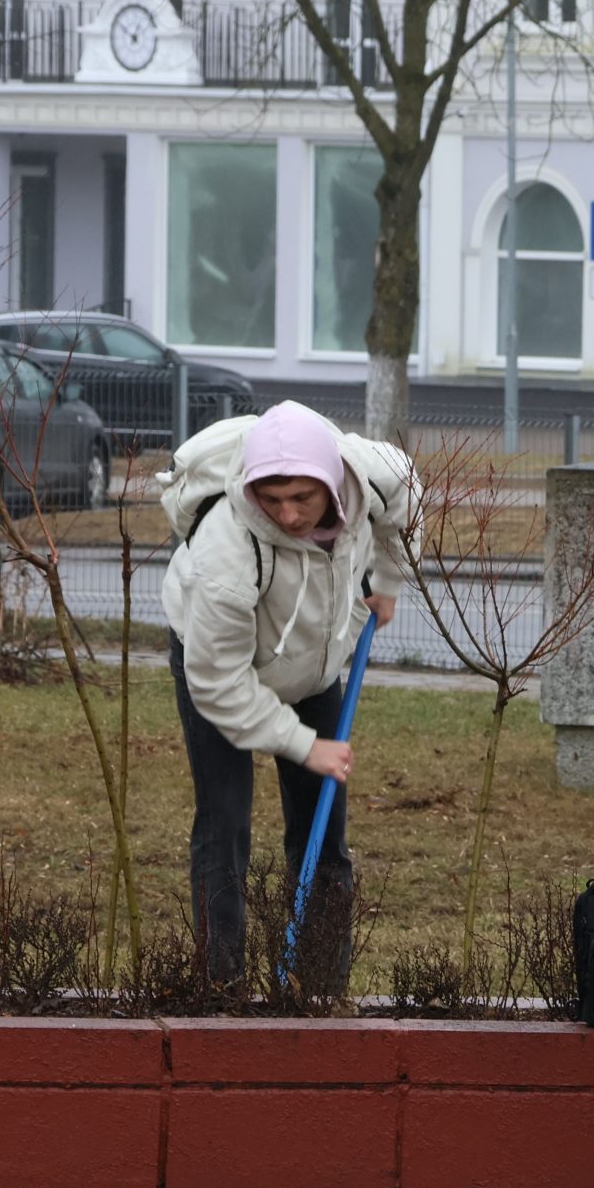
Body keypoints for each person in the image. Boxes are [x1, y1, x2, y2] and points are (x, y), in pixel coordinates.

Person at [160, 401, 417, 985]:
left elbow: (407, 498)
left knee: (324, 833)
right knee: (224, 823)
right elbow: (218, 682)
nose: (288, 513)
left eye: (303, 497)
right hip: (227, 670)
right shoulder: (224, 552)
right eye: (272, 500)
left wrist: (387, 580)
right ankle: (220, 987)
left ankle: (320, 986)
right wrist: (304, 745)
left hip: (316, 665)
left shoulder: (371, 475)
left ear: (333, 482)